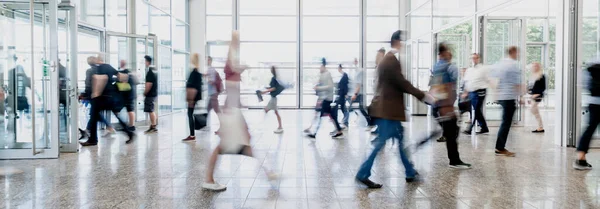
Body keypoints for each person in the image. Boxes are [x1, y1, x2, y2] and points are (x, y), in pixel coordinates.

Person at [356, 30, 436, 188]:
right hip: (388, 112)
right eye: (403, 42)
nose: (404, 45)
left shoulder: (386, 60)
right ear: (397, 42)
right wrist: (425, 96)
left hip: (386, 110)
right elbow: (403, 83)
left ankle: (410, 172)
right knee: (380, 143)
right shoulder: (391, 60)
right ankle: (362, 174)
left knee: (399, 141)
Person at [203, 31, 276, 191]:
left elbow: (233, 93)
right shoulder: (231, 66)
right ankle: (208, 179)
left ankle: (269, 172)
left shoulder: (233, 69)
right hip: (231, 113)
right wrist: (234, 41)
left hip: (233, 111)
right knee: (231, 146)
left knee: (244, 145)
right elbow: (232, 64)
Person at [430, 42, 472, 169]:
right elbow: (449, 88)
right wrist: (448, 107)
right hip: (445, 106)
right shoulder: (449, 67)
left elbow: (434, 87)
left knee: (452, 132)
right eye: (448, 51)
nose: (451, 53)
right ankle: (454, 160)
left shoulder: (436, 67)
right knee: (452, 133)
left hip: (438, 105)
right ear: (443, 53)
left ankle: (454, 158)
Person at [79, 54, 134, 146]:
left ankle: (93, 139)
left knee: (93, 117)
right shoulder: (108, 67)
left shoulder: (98, 68)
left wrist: (95, 93)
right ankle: (129, 132)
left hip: (100, 97)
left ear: (98, 60)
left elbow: (100, 79)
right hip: (110, 96)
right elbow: (121, 76)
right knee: (113, 116)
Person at [490, 46, 523, 157]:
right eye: (517, 53)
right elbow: (516, 84)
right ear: (513, 52)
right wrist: (521, 97)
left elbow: (493, 78)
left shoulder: (499, 64)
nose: (518, 55)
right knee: (506, 123)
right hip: (509, 97)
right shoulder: (512, 66)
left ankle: (500, 147)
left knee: (505, 122)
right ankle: (499, 147)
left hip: (502, 97)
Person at [306, 58, 344, 139]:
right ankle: (339, 131)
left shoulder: (328, 74)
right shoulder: (323, 74)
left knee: (320, 115)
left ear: (323, 66)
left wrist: (318, 88)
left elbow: (330, 86)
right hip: (325, 99)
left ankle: (315, 133)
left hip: (327, 99)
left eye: (320, 67)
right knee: (332, 116)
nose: (319, 68)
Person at [574, 60, 600, 170]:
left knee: (589, 129)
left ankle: (581, 159)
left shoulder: (591, 65)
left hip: (593, 102)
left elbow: (583, 83)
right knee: (589, 129)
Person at [78, 56, 112, 139]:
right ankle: (88, 130)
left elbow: (88, 83)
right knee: (94, 114)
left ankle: (108, 127)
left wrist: (85, 94)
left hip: (93, 95)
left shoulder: (89, 71)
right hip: (99, 94)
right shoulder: (99, 69)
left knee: (94, 114)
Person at [462, 53, 490, 135]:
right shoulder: (469, 70)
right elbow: (467, 82)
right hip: (471, 92)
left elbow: (488, 79)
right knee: (476, 110)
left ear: (479, 58)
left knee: (476, 110)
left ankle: (469, 129)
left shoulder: (483, 68)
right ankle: (484, 127)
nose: (474, 59)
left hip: (480, 92)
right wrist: (465, 92)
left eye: (476, 58)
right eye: (472, 58)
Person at [347, 58, 374, 129]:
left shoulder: (360, 72)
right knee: (360, 108)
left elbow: (358, 85)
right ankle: (370, 122)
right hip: (358, 93)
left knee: (356, 108)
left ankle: (345, 122)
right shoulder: (357, 71)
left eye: (355, 61)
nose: (354, 62)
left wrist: (355, 94)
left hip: (359, 94)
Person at [182, 54, 204, 141]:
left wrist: (190, 100)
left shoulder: (194, 73)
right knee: (191, 114)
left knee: (190, 114)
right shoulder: (197, 72)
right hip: (196, 97)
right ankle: (192, 134)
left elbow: (192, 87)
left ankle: (192, 135)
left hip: (193, 98)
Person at [260, 66, 285, 134]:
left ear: (272, 70)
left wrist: (264, 92)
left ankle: (279, 127)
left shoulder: (273, 78)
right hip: (273, 98)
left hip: (273, 99)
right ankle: (280, 127)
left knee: (267, 110)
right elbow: (274, 87)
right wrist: (268, 88)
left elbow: (274, 88)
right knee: (273, 112)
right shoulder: (276, 78)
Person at [117, 60, 137, 131]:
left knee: (129, 110)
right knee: (129, 110)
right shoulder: (130, 72)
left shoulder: (124, 72)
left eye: (121, 63)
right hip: (129, 94)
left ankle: (131, 126)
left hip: (126, 95)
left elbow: (120, 81)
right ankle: (130, 125)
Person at [528, 62, 546, 133]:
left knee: (533, 110)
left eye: (536, 66)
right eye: (533, 66)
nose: (534, 67)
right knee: (535, 112)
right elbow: (531, 87)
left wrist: (537, 94)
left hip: (538, 96)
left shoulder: (541, 76)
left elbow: (543, 87)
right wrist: (530, 96)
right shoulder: (532, 76)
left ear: (539, 67)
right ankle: (540, 127)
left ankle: (540, 127)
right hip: (532, 96)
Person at [143, 55, 158, 134]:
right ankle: (153, 126)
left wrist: (145, 92)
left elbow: (149, 84)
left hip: (150, 94)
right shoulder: (154, 70)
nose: (144, 63)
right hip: (154, 93)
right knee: (151, 109)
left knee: (150, 110)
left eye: (145, 61)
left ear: (147, 62)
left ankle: (153, 126)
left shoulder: (150, 72)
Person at [334, 64, 349, 129]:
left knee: (340, 107)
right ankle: (344, 121)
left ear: (340, 68)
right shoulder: (343, 75)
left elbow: (345, 86)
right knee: (342, 107)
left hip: (342, 94)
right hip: (341, 94)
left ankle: (343, 121)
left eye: (338, 68)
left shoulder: (345, 75)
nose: (338, 70)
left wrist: (345, 94)